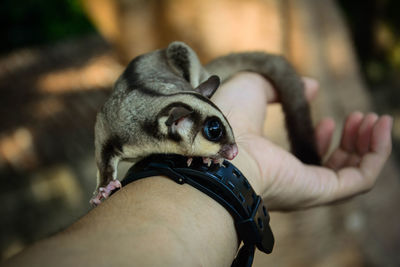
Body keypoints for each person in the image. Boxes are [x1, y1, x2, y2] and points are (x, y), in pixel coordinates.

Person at [1, 73, 393, 267]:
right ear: (178, 123)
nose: (234, 152)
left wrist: (246, 170)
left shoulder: (184, 115)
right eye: (216, 135)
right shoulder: (127, 129)